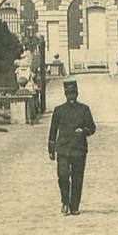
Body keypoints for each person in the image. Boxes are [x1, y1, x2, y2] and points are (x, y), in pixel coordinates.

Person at [48, 78, 96, 216]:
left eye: (73, 93)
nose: (71, 96)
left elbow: (92, 128)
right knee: (63, 176)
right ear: (65, 94)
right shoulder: (59, 110)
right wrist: (51, 149)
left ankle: (74, 205)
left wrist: (84, 131)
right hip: (63, 148)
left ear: (77, 94)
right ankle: (65, 201)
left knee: (77, 178)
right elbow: (53, 130)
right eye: (69, 94)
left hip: (78, 149)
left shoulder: (84, 109)